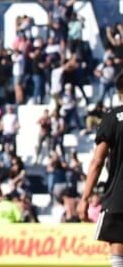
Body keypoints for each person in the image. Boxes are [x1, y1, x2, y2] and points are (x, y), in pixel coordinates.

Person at [80, 72, 123, 267]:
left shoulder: (113, 117)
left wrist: (85, 198)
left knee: (118, 250)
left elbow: (97, 161)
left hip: (119, 195)